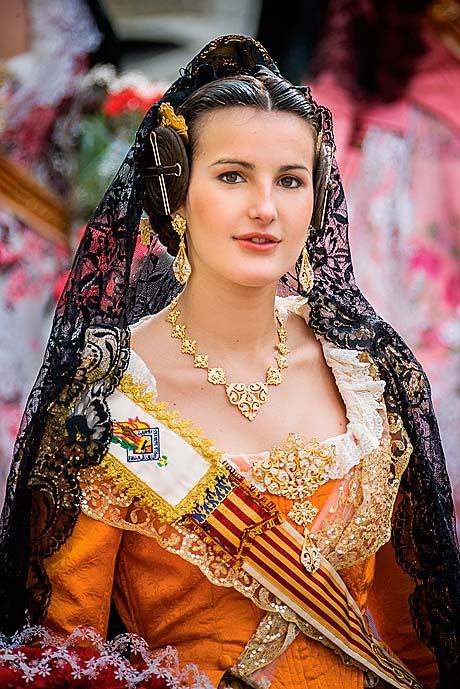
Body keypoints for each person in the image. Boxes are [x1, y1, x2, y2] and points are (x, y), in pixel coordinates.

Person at [0, 35, 459, 689]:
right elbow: (65, 658)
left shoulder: (366, 378)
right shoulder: (109, 401)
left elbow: (421, 643)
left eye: (290, 180)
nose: (265, 208)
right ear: (176, 195)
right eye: (233, 176)